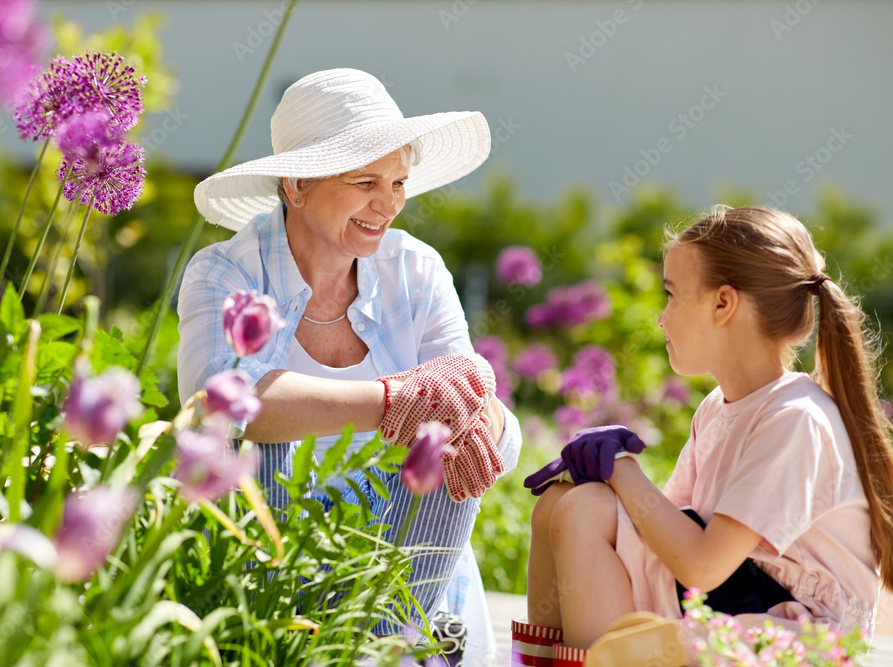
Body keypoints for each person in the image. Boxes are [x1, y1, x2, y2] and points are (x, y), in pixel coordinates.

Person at [177, 68, 521, 658]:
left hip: (417, 587)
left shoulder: (416, 269)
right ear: (296, 185)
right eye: (365, 180)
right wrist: (397, 402)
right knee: (270, 434)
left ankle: (387, 642)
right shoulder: (224, 270)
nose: (387, 204)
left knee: (448, 431)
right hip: (273, 583)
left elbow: (475, 403)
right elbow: (224, 402)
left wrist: (475, 417)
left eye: (398, 182)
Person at [514, 206, 893, 664]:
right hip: (740, 598)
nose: (661, 318)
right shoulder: (718, 407)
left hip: (797, 637)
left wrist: (620, 470)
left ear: (723, 304)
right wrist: (593, 475)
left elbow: (701, 565)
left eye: (671, 295)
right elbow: (666, 529)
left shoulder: (796, 420)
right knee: (560, 502)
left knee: (586, 511)